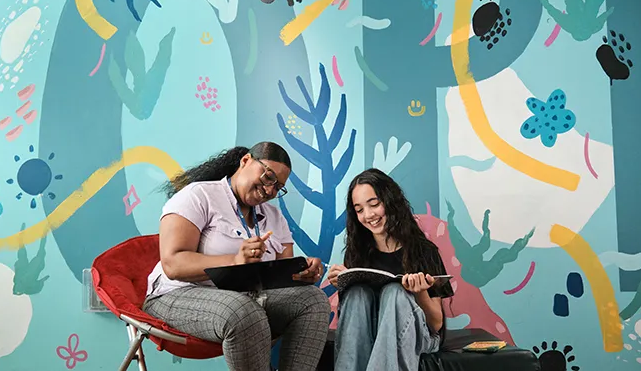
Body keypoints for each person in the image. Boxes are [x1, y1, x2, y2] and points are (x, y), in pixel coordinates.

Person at [142, 142, 331, 371]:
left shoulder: (273, 215)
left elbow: (282, 277)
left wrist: (302, 272)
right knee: (242, 311)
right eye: (268, 177)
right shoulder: (198, 195)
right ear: (245, 161)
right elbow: (173, 263)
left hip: (246, 298)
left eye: (278, 187)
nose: (270, 190)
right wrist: (234, 260)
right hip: (177, 293)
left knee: (313, 300)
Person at [327, 168, 453, 371]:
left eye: (374, 204)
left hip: (419, 333)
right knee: (357, 292)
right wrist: (341, 284)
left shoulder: (423, 250)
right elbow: (355, 321)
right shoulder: (357, 252)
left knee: (395, 292)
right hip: (372, 329)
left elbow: (435, 324)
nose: (368, 215)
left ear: (390, 201)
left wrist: (420, 292)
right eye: (359, 210)